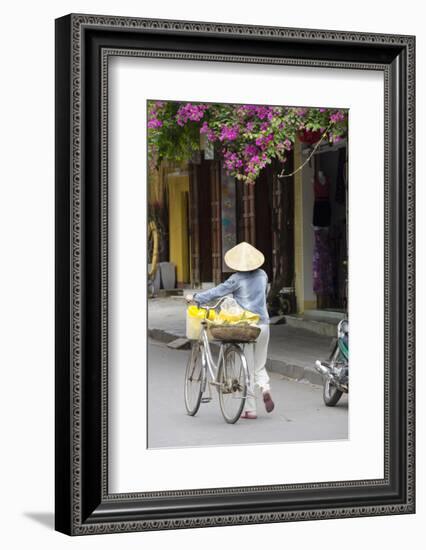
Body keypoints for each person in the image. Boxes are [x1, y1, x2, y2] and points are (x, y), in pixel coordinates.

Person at [185, 241, 274, 419]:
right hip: (264, 325)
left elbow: (216, 292)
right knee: (259, 364)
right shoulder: (263, 275)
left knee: (247, 368)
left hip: (247, 327)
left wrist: (195, 297)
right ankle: (265, 387)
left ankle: (251, 410)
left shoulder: (236, 279)